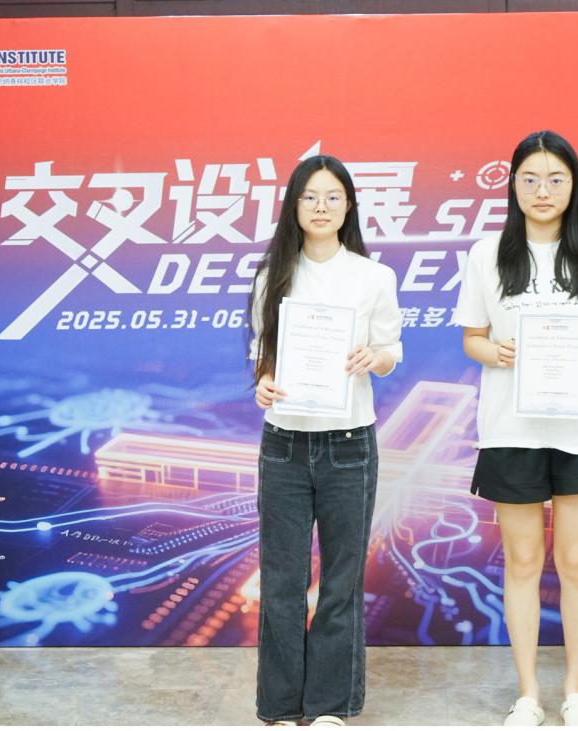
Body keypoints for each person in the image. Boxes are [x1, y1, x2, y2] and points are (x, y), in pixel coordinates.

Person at [453, 131, 578, 727]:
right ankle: (528, 693)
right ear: (512, 185)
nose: (542, 190)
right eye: (529, 179)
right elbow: (471, 338)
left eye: (556, 179)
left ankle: (575, 693)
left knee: (576, 561)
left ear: (574, 185)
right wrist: (496, 352)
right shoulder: (487, 254)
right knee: (523, 562)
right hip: (512, 430)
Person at [247, 155, 402, 727]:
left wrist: (373, 358)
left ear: (348, 205)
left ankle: (330, 705)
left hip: (348, 444)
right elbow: (261, 351)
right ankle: (281, 705)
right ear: (294, 205)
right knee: (282, 581)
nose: (321, 206)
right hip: (284, 443)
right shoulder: (272, 275)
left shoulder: (372, 276)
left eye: (333, 196)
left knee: (341, 581)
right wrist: (263, 382)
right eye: (310, 196)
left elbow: (391, 350)